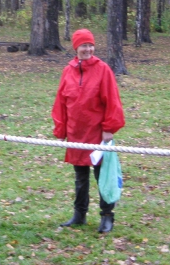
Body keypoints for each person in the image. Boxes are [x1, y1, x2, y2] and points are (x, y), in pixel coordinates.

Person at [52, 29, 125, 234]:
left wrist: (109, 129)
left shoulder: (103, 70)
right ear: (76, 47)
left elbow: (112, 101)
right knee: (80, 176)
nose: (88, 49)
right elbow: (61, 102)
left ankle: (107, 215)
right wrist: (61, 129)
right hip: (76, 133)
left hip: (97, 134)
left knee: (103, 175)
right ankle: (79, 214)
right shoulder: (68, 71)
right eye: (83, 45)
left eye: (90, 45)